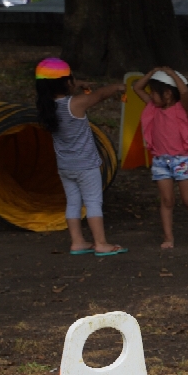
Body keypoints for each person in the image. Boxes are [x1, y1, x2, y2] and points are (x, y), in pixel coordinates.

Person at [34, 57, 125, 256]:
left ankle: (77, 242)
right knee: (93, 202)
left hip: (65, 166)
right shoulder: (76, 104)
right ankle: (100, 243)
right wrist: (118, 87)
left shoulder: (46, 107)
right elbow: (100, 94)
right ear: (68, 82)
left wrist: (75, 85)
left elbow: (63, 93)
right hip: (86, 166)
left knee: (73, 202)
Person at [133, 66, 188, 248]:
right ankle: (168, 237)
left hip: (181, 160)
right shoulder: (153, 107)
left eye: (154, 93)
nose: (151, 96)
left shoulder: (181, 109)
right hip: (160, 161)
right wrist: (151, 73)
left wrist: (171, 74)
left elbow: (183, 91)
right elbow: (137, 88)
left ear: (167, 93)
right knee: (166, 201)